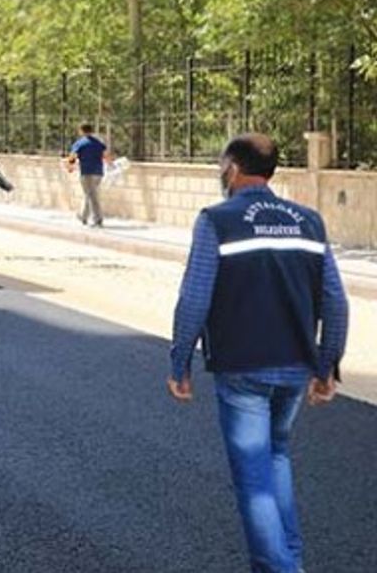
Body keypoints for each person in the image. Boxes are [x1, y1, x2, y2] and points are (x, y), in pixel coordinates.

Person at [168, 133, 348, 573]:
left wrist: (180, 362)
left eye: (220, 168)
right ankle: (292, 562)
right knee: (276, 457)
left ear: (231, 169)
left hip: (243, 368)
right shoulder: (309, 221)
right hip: (295, 369)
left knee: (253, 482)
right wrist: (326, 367)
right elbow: (335, 301)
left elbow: (195, 297)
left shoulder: (217, 219)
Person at [65, 123, 109, 227]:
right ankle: (83, 216)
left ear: (81, 131)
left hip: (87, 172)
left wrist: (70, 167)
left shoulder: (80, 143)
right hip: (98, 172)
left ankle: (98, 219)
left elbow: (73, 156)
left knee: (92, 195)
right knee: (89, 194)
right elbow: (106, 155)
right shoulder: (99, 143)